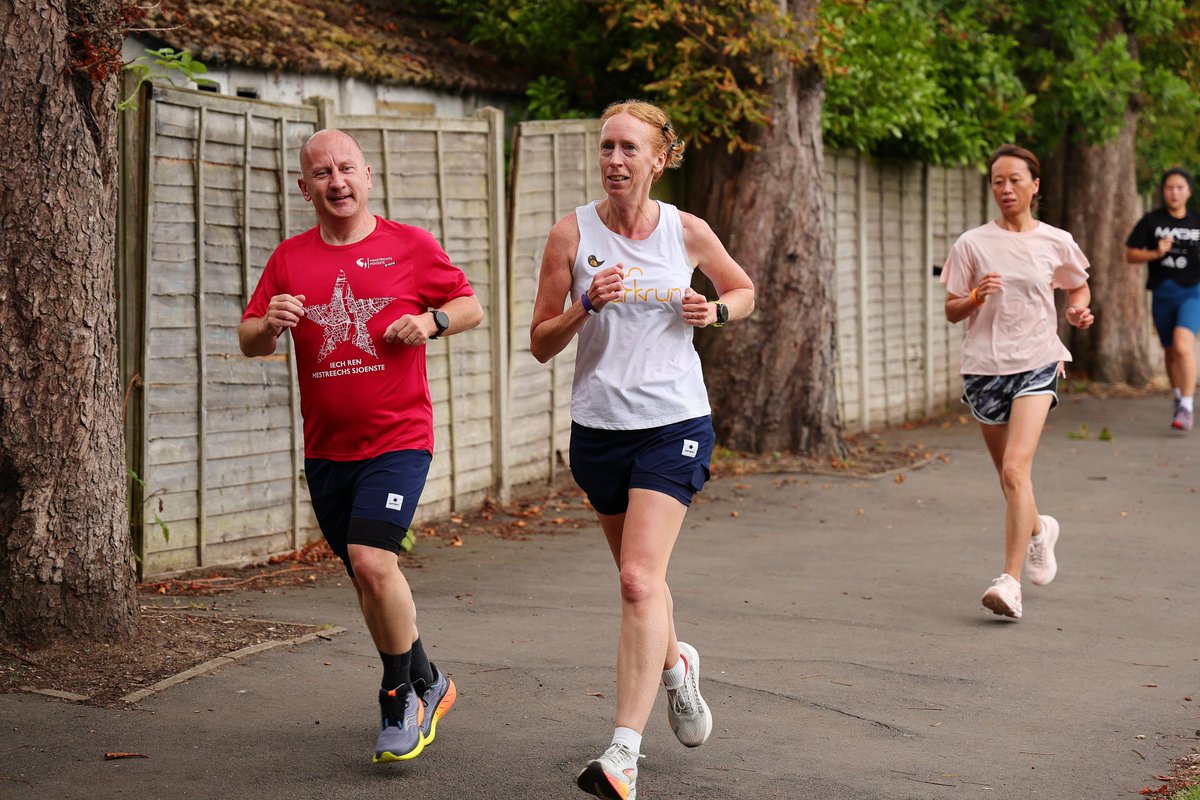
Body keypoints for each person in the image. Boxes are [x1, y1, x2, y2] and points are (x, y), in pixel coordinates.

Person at [530, 100, 755, 799]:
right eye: (607, 148)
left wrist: (712, 310)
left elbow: (743, 290)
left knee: (635, 579)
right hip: (598, 428)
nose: (615, 161)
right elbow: (539, 342)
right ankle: (675, 668)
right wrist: (583, 305)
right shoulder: (571, 234)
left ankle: (623, 753)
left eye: (630, 149)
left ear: (659, 159)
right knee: (644, 581)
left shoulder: (686, 232)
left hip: (674, 423)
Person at [238, 129, 483, 763]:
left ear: (368, 176)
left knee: (374, 564)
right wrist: (270, 324)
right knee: (371, 580)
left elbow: (469, 305)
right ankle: (430, 680)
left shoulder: (408, 245)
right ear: (305, 187)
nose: (337, 182)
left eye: (347, 169)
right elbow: (249, 338)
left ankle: (398, 695)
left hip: (399, 439)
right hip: (326, 450)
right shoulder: (290, 258)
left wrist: (431, 321)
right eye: (322, 173)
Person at [941, 143, 1094, 622]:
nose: (1005, 189)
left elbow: (1078, 283)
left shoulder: (1055, 240)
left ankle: (1009, 582)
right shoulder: (972, 243)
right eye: (997, 182)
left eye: (1014, 180)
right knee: (1011, 480)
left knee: (1014, 470)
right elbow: (950, 311)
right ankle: (1038, 530)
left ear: (1035, 185)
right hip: (984, 367)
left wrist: (1076, 308)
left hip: (1038, 359)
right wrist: (973, 297)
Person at [1124, 167, 1200, 432]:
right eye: (1170, 188)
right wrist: (1156, 253)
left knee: (1182, 346)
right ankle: (1178, 396)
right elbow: (1130, 254)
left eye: (1180, 187)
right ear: (1163, 191)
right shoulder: (1152, 221)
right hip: (1162, 294)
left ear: (1189, 191)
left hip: (1192, 292)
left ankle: (1188, 406)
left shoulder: (1196, 223)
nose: (1174, 192)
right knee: (1169, 349)